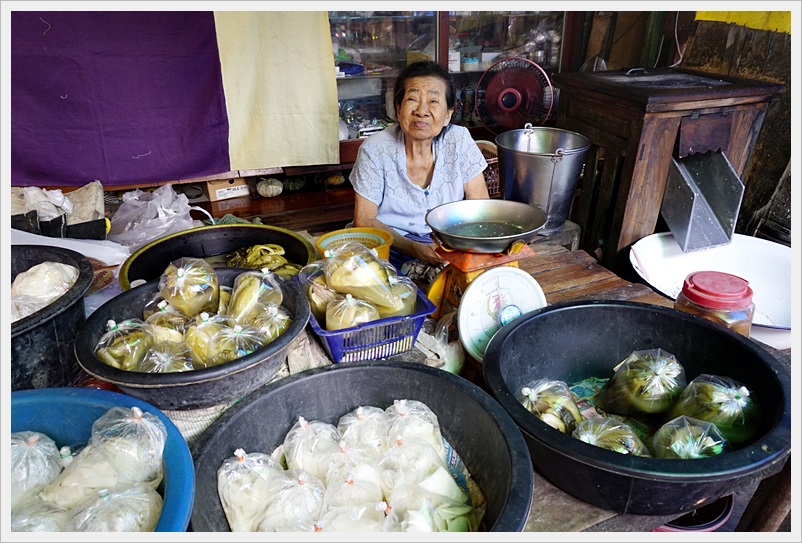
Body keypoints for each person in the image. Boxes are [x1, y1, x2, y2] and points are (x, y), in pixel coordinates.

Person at [350, 60, 489, 278]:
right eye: (412, 99)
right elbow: (365, 220)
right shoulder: (375, 150)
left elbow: (480, 204)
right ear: (398, 109)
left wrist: (461, 246)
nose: (422, 111)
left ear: (448, 115)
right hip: (388, 245)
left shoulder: (458, 140)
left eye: (433, 101)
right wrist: (417, 250)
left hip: (446, 246)